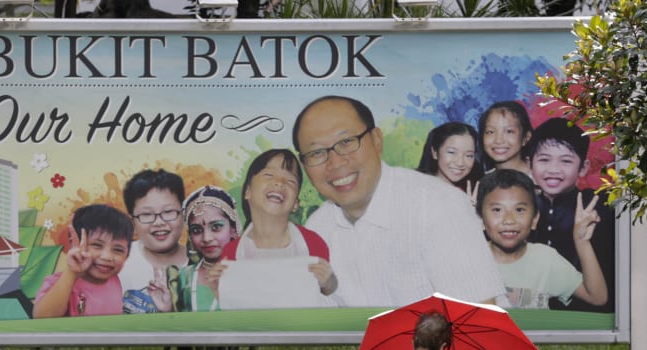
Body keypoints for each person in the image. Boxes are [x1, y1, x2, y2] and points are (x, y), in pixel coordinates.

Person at [291, 95, 504, 308]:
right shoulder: (317, 230)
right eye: (317, 152)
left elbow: (479, 322)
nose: (335, 163)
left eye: (346, 142)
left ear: (376, 140)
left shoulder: (439, 204)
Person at [477, 169, 607, 309]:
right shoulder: (468, 262)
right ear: (480, 219)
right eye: (497, 210)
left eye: (519, 210)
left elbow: (597, 297)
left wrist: (582, 242)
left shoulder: (545, 259)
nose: (509, 220)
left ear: (535, 219)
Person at [220, 148, 337, 298]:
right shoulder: (231, 253)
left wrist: (329, 282)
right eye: (269, 175)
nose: (279, 183)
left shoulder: (313, 243)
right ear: (247, 191)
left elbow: (327, 294)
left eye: (290, 181)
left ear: (295, 203)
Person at [527, 117, 616, 313]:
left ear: (583, 168)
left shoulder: (598, 205)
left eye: (566, 161)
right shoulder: (522, 205)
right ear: (529, 164)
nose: (553, 170)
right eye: (544, 160)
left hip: (587, 310)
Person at [33, 203, 133, 318]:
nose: (107, 257)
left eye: (118, 250)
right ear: (75, 244)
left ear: (127, 255)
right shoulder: (58, 283)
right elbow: (42, 317)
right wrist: (71, 272)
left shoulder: (115, 280)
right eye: (96, 245)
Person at [119, 168, 188, 313]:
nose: (159, 222)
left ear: (183, 214)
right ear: (132, 221)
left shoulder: (200, 264)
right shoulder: (118, 261)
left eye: (168, 212)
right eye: (147, 214)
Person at [175, 185, 239, 312]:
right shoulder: (184, 276)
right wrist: (166, 309)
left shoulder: (247, 274)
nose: (206, 238)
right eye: (197, 230)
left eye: (216, 227)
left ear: (233, 230)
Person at [416, 121, 484, 198]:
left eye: (468, 155)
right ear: (435, 153)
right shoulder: (416, 189)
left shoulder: (476, 195)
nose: (460, 163)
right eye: (451, 152)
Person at [478, 100, 533, 175]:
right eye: (490, 132)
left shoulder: (541, 181)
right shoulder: (481, 182)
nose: (498, 140)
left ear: (526, 137)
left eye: (509, 131)